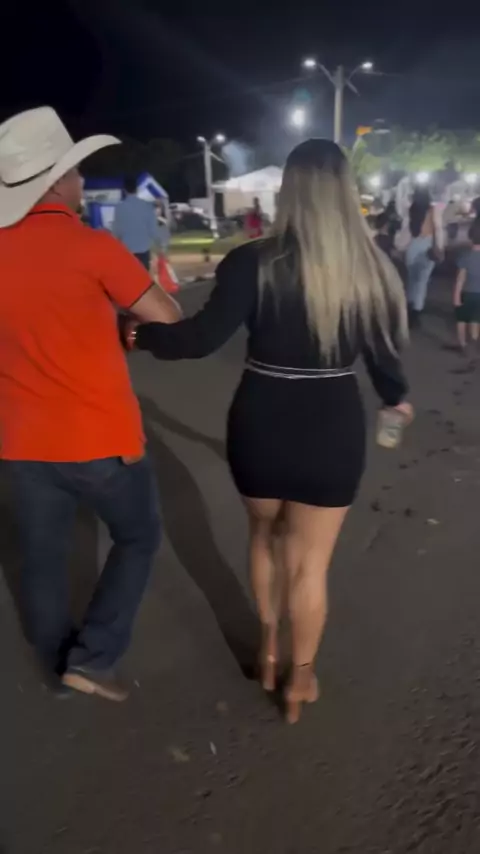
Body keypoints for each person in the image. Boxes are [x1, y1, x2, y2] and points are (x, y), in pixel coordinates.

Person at [123, 139, 411, 724]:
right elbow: (385, 362)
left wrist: (138, 335)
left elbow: (199, 339)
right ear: (344, 192)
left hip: (262, 420)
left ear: (289, 192)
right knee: (310, 565)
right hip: (332, 427)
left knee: (263, 536)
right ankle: (300, 679)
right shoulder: (372, 267)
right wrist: (396, 400)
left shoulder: (251, 261)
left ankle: (270, 650)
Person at [0, 107, 181, 701]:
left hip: (20, 442)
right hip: (99, 438)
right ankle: (94, 656)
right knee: (138, 536)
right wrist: (123, 325)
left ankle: (59, 665)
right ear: (56, 180)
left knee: (41, 559)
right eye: (76, 171)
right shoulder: (93, 248)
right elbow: (168, 316)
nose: (81, 180)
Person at [401, 188, 443, 327]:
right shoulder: (433, 209)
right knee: (422, 281)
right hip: (427, 245)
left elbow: (406, 228)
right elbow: (438, 228)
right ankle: (416, 311)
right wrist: (439, 246)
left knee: (411, 280)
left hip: (412, 245)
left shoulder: (412, 210)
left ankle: (408, 308)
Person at [113, 175, 163, 270]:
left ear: (124, 190)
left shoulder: (119, 208)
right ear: (137, 189)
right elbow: (153, 230)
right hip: (143, 250)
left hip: (127, 251)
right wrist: (159, 247)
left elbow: (117, 232)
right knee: (143, 276)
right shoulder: (146, 206)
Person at [453, 218, 480, 352]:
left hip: (466, 293)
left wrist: (456, 296)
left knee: (462, 319)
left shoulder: (465, 256)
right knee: (476, 320)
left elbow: (460, 279)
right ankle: (474, 343)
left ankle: (463, 344)